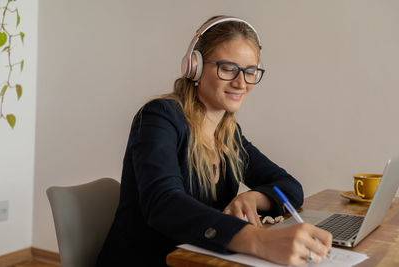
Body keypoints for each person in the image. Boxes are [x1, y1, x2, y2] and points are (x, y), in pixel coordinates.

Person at [96, 15, 332, 266]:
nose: (241, 83)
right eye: (228, 68)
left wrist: (252, 197)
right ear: (194, 67)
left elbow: (289, 187)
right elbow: (163, 203)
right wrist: (258, 241)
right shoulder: (159, 117)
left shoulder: (229, 136)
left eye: (250, 71)